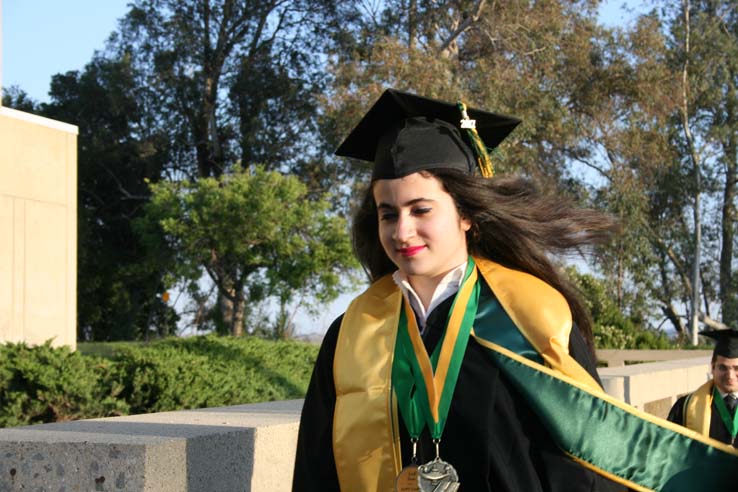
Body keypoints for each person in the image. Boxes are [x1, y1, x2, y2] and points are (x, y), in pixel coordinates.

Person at [292, 89, 738, 492]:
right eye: (388, 214)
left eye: (421, 209)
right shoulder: (353, 333)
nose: (402, 229)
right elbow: (316, 468)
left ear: (466, 214)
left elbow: (581, 462)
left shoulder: (527, 316)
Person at [667, 329, 738, 447]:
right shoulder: (684, 407)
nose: (730, 376)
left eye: (737, 368)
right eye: (723, 368)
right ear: (712, 367)